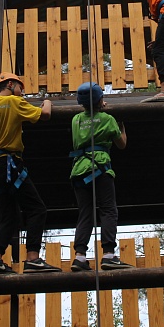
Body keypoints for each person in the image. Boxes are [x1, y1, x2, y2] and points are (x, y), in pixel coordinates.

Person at [0, 72, 61, 275]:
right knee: (37, 209)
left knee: (10, 217)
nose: (22, 92)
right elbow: (45, 114)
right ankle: (33, 258)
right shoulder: (15, 103)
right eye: (20, 87)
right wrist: (47, 101)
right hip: (9, 164)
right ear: (10, 84)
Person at [69, 82, 133, 271]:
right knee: (108, 210)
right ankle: (108, 254)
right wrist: (121, 125)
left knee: (85, 213)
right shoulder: (107, 119)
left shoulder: (76, 120)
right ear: (100, 99)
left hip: (79, 170)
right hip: (100, 168)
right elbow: (122, 144)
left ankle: (79, 256)